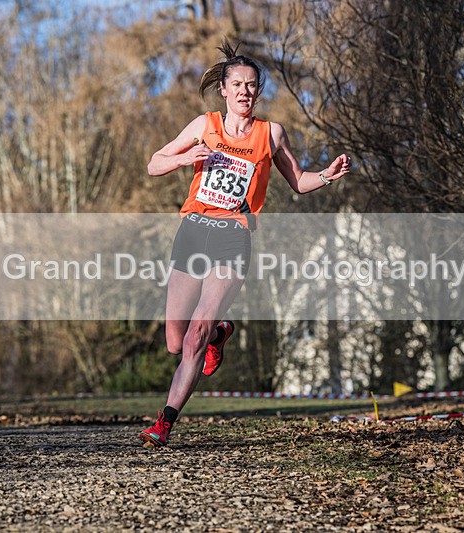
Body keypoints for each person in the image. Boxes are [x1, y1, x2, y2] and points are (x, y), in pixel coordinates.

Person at [139, 40, 351, 447]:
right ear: (224, 88)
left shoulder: (270, 134)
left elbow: (298, 181)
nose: (245, 92)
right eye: (237, 84)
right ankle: (220, 334)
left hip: (233, 238)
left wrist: (325, 174)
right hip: (193, 230)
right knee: (175, 340)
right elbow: (154, 163)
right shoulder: (205, 126)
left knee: (195, 331)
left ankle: (164, 422)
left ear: (258, 90)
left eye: (252, 85)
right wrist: (186, 158)